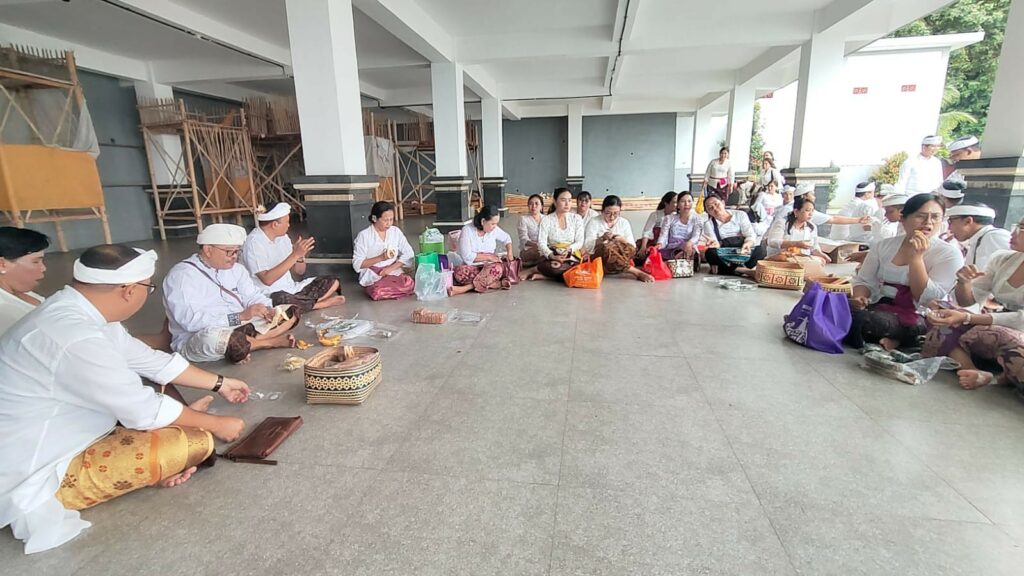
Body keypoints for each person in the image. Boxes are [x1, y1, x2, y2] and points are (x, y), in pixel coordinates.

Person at [0, 244, 248, 554]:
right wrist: (216, 424)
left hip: (68, 430)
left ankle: (171, 428)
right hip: (34, 465)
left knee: (172, 416)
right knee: (190, 443)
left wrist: (220, 383)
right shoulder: (76, 336)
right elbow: (142, 409)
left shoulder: (79, 313)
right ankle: (67, 490)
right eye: (148, 287)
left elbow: (148, 360)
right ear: (129, 290)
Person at [164, 223, 299, 364]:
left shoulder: (237, 269)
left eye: (237, 252)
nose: (234, 257)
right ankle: (266, 342)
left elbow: (252, 296)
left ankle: (243, 344)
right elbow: (191, 322)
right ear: (208, 250)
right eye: (229, 252)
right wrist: (239, 316)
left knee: (290, 312)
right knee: (215, 339)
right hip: (201, 336)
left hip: (240, 325)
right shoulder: (182, 276)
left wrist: (267, 309)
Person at [846, 194, 963, 350]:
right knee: (834, 308)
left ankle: (905, 338)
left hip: (918, 315)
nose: (928, 223)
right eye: (920, 216)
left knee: (865, 321)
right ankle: (895, 339)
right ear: (904, 218)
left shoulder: (948, 253)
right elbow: (865, 280)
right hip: (878, 305)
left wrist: (916, 258)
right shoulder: (884, 246)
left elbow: (928, 298)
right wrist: (859, 298)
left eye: (935, 217)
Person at [923, 217, 1024, 391]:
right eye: (1017, 226)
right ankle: (973, 370)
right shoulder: (1003, 259)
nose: (1013, 233)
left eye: (1022, 228)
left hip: (1015, 333)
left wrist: (967, 318)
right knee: (941, 312)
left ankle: (1003, 375)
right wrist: (964, 282)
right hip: (994, 325)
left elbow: (1020, 319)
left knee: (1014, 346)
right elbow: (968, 301)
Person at [239, 202, 345, 314]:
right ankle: (319, 304)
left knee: (333, 281)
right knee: (282, 299)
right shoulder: (254, 243)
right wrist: (294, 255)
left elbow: (299, 271)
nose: (289, 225)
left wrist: (300, 256)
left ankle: (300, 305)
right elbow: (267, 280)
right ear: (275, 224)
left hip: (292, 290)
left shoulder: (283, 238)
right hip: (269, 295)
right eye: (287, 222)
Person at [352, 201, 416, 300]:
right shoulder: (364, 236)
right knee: (378, 291)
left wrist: (390, 268)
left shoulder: (395, 232)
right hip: (374, 274)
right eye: (385, 220)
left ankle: (393, 291)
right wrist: (380, 258)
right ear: (374, 218)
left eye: (391, 219)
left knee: (409, 283)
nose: (389, 223)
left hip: (392, 271)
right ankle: (392, 291)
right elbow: (357, 264)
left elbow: (409, 253)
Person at [585, 195, 654, 282]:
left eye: (616, 214)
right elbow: (588, 246)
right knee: (607, 249)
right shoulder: (594, 221)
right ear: (602, 211)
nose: (612, 217)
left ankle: (619, 265)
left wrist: (621, 240)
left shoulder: (624, 222)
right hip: (601, 258)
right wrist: (602, 238)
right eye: (608, 213)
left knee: (626, 248)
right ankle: (636, 272)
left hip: (620, 254)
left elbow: (632, 247)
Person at [450, 205, 516, 295]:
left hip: (489, 267)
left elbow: (507, 238)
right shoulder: (467, 230)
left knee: (497, 268)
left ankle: (465, 288)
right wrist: (489, 257)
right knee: (459, 273)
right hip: (472, 267)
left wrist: (510, 253)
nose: (495, 226)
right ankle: (492, 283)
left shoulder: (494, 230)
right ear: (483, 221)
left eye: (496, 224)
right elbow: (467, 256)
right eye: (492, 224)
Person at [0, 227, 48, 335]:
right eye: (35, 262)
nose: (43, 268)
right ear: (2, 264)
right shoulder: (4, 310)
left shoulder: (20, 290)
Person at [702, 196, 765, 275]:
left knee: (761, 251)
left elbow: (750, 234)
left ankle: (729, 269)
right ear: (708, 212)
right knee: (710, 253)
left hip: (742, 250)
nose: (715, 208)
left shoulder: (740, 215)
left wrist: (747, 244)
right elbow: (715, 244)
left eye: (716, 204)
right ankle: (744, 271)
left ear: (723, 203)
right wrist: (715, 245)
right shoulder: (708, 224)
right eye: (710, 208)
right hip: (725, 252)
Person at [531, 188, 584, 280]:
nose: (567, 204)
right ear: (555, 202)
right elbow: (541, 242)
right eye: (563, 200)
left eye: (569, 200)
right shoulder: (546, 220)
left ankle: (546, 276)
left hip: (571, 255)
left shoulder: (577, 218)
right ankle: (557, 275)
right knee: (554, 267)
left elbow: (580, 241)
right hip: (553, 253)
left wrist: (569, 249)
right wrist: (552, 255)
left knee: (573, 269)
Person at [764, 196, 829, 266]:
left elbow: (814, 247)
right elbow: (772, 242)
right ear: (796, 211)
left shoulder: (812, 227)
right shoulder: (782, 223)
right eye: (807, 210)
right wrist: (796, 244)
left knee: (819, 261)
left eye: (812, 211)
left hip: (801, 260)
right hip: (780, 261)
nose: (810, 214)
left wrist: (821, 254)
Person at [945, 204, 1010, 271]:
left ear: (968, 221)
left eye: (950, 222)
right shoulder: (977, 240)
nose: (949, 228)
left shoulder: (994, 236)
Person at [654, 191, 703, 265]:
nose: (686, 204)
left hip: (689, 246)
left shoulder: (697, 219)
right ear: (678, 205)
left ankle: (686, 261)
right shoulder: (669, 218)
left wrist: (689, 243)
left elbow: (696, 236)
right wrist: (660, 244)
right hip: (672, 248)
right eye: (683, 201)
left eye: (689, 201)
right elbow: (664, 235)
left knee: (689, 250)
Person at [637, 191, 678, 261]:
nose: (677, 205)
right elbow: (647, 232)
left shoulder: (677, 216)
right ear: (666, 203)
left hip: (671, 245)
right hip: (655, 244)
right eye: (674, 202)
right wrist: (643, 247)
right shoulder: (655, 215)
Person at [517, 193, 545, 267]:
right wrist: (536, 245)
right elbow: (523, 239)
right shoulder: (523, 219)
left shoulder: (546, 219)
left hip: (544, 247)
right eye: (531, 204)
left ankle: (536, 264)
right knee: (541, 252)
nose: (533, 206)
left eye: (536, 204)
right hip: (529, 249)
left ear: (541, 207)